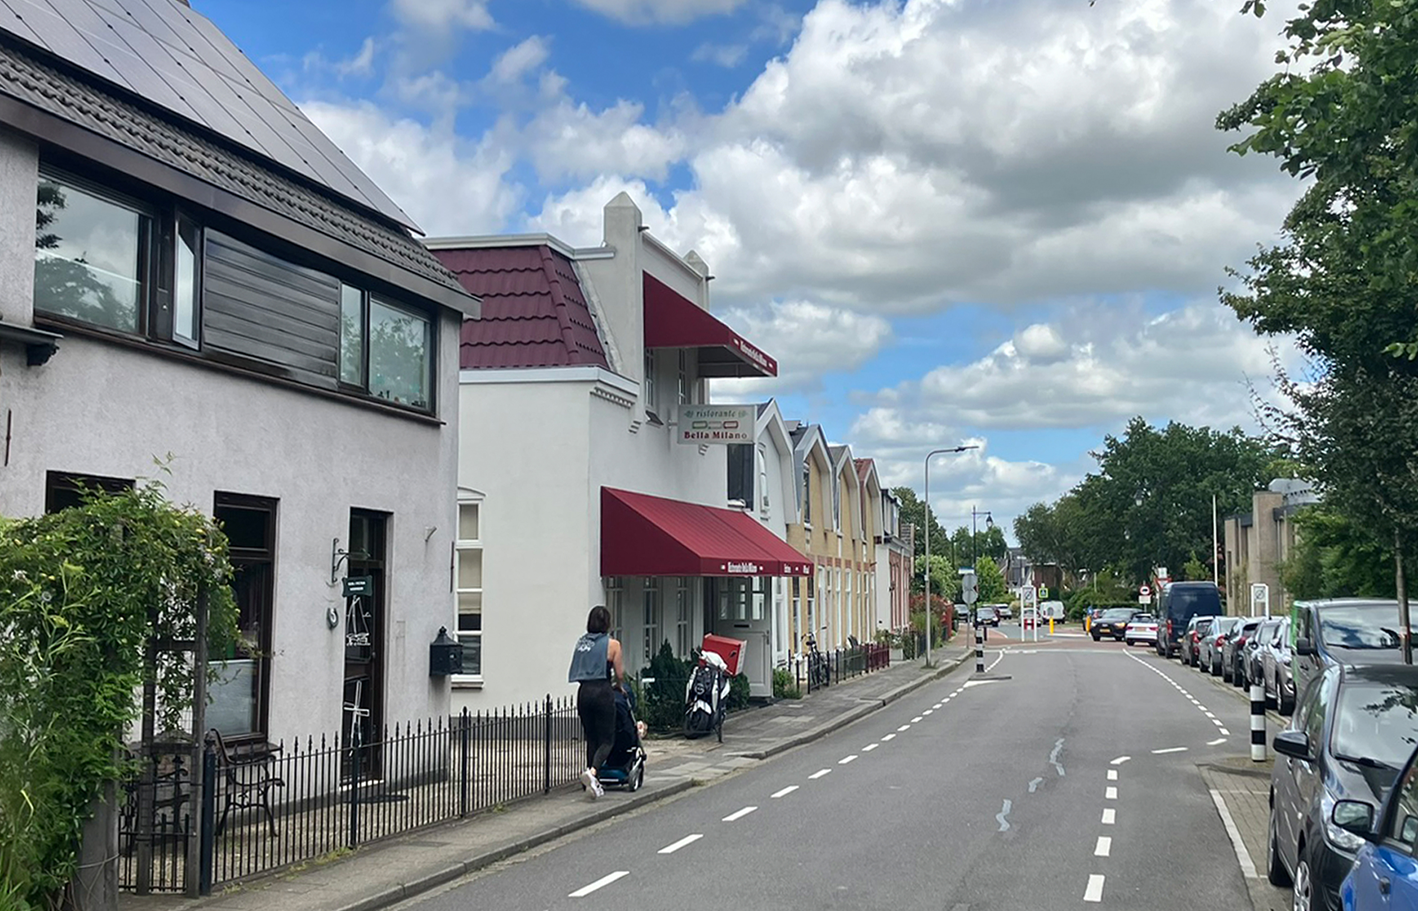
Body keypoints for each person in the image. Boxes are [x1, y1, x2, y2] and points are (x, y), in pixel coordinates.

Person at [568, 605, 623, 799]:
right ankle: (592, 773)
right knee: (607, 739)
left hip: (584, 692)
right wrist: (620, 686)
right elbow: (619, 674)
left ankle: (591, 783)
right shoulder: (612, 644)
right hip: (602, 691)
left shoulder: (582, 643)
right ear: (607, 623)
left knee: (591, 737)